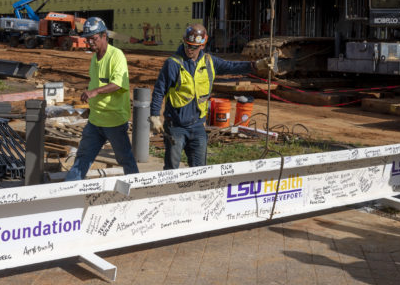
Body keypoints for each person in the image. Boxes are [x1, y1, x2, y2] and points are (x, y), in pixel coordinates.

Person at [150, 24, 269, 169]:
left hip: (198, 126)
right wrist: (154, 115)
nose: (189, 49)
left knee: (200, 170)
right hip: (176, 126)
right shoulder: (173, 64)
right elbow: (159, 90)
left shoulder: (209, 61)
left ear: (202, 45)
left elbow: (232, 66)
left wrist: (256, 65)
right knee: (171, 170)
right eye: (187, 45)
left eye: (194, 47)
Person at [64, 17, 139, 181]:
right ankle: (69, 192)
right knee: (82, 158)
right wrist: (91, 102)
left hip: (114, 121)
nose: (90, 43)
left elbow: (118, 83)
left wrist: (95, 92)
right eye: (88, 39)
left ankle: (136, 187)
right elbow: (95, 83)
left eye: (94, 39)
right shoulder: (94, 57)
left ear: (104, 35)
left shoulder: (116, 55)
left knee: (125, 159)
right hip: (96, 120)